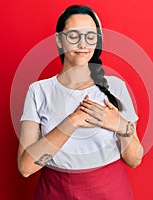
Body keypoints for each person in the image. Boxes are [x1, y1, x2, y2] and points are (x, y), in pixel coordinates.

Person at [17, 5, 144, 200]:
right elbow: (26, 168)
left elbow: (134, 160)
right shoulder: (38, 91)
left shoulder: (115, 87)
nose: (83, 44)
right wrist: (71, 122)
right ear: (59, 40)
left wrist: (120, 125)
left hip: (110, 192)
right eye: (74, 36)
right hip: (55, 192)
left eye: (90, 36)